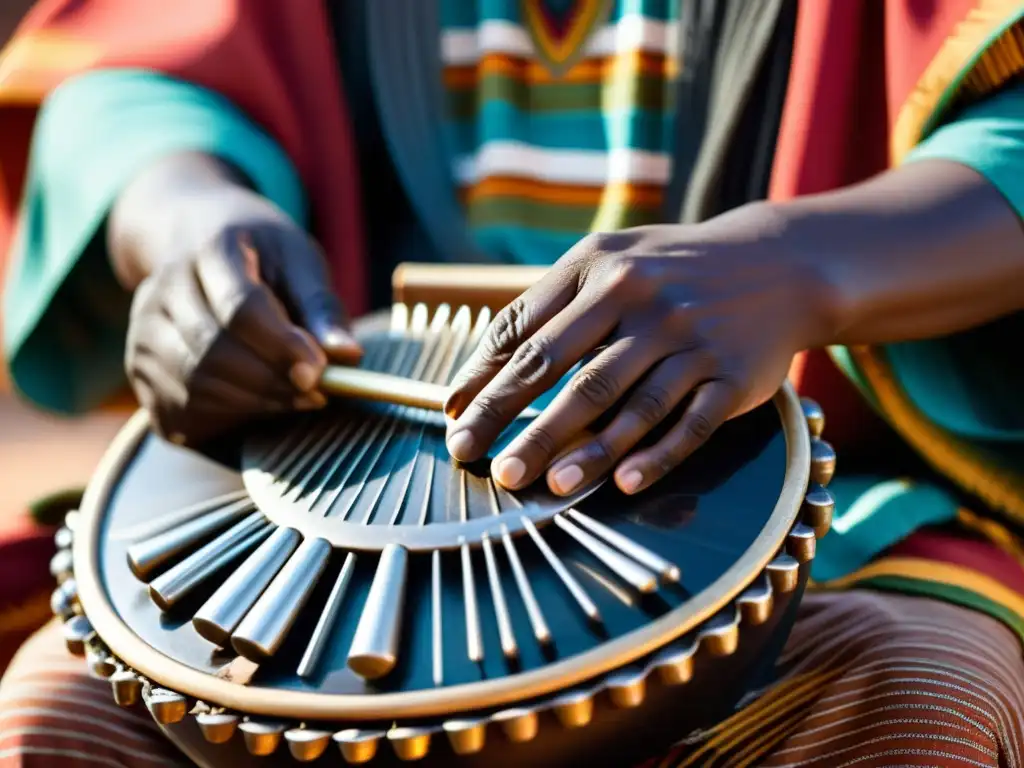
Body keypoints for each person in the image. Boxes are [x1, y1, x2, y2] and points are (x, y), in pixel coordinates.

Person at [0, 0, 1023, 765]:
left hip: (814, 516)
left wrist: (806, 262)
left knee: (918, 696)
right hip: (332, 530)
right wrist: (184, 215)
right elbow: (139, 72)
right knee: (62, 711)